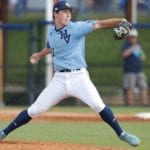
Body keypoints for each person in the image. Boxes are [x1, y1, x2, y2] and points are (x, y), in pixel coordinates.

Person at [0, 1, 140, 147]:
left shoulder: (77, 27)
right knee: (35, 110)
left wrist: (120, 20)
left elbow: (100, 24)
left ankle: (122, 134)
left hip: (79, 77)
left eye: (69, 12)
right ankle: (4, 132)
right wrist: (39, 55)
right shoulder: (52, 32)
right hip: (59, 80)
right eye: (64, 11)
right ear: (55, 14)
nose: (68, 14)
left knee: (98, 106)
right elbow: (51, 47)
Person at [121, 28, 148, 106]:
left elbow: (143, 57)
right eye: (132, 37)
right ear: (129, 37)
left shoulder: (138, 45)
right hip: (129, 71)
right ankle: (130, 105)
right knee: (129, 88)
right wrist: (132, 49)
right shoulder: (126, 45)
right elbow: (123, 54)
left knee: (143, 86)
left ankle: (144, 104)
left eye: (135, 37)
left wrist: (140, 52)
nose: (133, 38)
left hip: (139, 70)